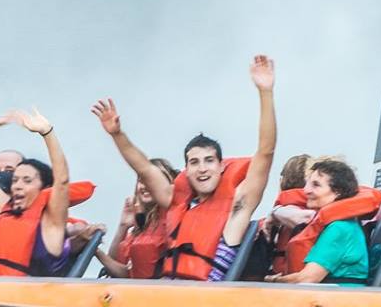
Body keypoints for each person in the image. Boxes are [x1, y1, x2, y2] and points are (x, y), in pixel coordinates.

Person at [92, 55, 278, 281]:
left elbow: (265, 152)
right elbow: (144, 168)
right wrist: (117, 134)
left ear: (221, 166)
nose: (202, 169)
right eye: (194, 162)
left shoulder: (238, 205)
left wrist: (265, 92)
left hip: (201, 300)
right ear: (186, 170)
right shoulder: (176, 202)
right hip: (167, 294)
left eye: (209, 161)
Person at [0, 109, 81, 276]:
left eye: (27, 181)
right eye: (15, 180)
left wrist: (47, 133)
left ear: (43, 187)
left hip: (22, 298)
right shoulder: (4, 210)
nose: (17, 186)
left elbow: (62, 181)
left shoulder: (52, 223)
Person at [264, 158, 381, 284]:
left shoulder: (340, 228)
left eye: (316, 185)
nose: (306, 190)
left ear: (337, 192)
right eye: (307, 184)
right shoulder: (338, 225)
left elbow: (307, 278)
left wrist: (271, 280)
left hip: (338, 300)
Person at [92, 158, 177, 279]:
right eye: (142, 180)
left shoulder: (171, 221)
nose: (146, 185)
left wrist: (96, 251)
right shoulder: (141, 227)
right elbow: (115, 268)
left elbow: (129, 276)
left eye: (153, 181)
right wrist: (123, 226)